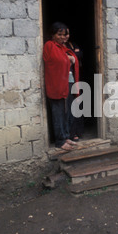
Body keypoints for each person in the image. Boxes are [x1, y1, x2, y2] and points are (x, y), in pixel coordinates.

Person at [43, 22, 79, 151]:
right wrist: (68, 58)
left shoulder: (63, 47)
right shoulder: (50, 46)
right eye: (59, 34)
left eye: (65, 34)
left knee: (66, 111)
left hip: (68, 82)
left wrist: (70, 58)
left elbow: (74, 59)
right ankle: (59, 141)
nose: (63, 37)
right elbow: (58, 61)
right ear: (52, 35)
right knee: (58, 112)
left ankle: (66, 136)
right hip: (57, 84)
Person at [63, 27, 84, 142]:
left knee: (76, 105)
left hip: (74, 79)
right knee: (66, 107)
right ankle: (69, 134)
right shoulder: (56, 47)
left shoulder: (72, 44)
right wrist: (72, 57)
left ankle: (77, 132)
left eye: (67, 34)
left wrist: (73, 57)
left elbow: (79, 55)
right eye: (62, 34)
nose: (65, 36)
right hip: (63, 80)